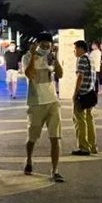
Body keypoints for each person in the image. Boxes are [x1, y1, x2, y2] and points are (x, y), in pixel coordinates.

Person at [22, 32, 65, 182]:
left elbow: (60, 74)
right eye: (43, 44)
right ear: (37, 44)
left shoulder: (51, 57)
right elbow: (29, 74)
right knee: (32, 137)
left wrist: (56, 57)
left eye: (48, 45)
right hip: (36, 103)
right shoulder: (27, 56)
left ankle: (55, 170)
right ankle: (29, 160)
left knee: (55, 137)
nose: (46, 47)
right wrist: (33, 55)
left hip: (53, 101)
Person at [72, 40, 97, 156]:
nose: (74, 51)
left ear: (81, 48)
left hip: (82, 94)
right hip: (90, 93)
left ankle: (83, 147)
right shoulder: (90, 58)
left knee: (79, 120)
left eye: (75, 49)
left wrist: (75, 93)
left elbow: (80, 77)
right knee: (89, 120)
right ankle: (92, 146)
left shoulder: (82, 59)